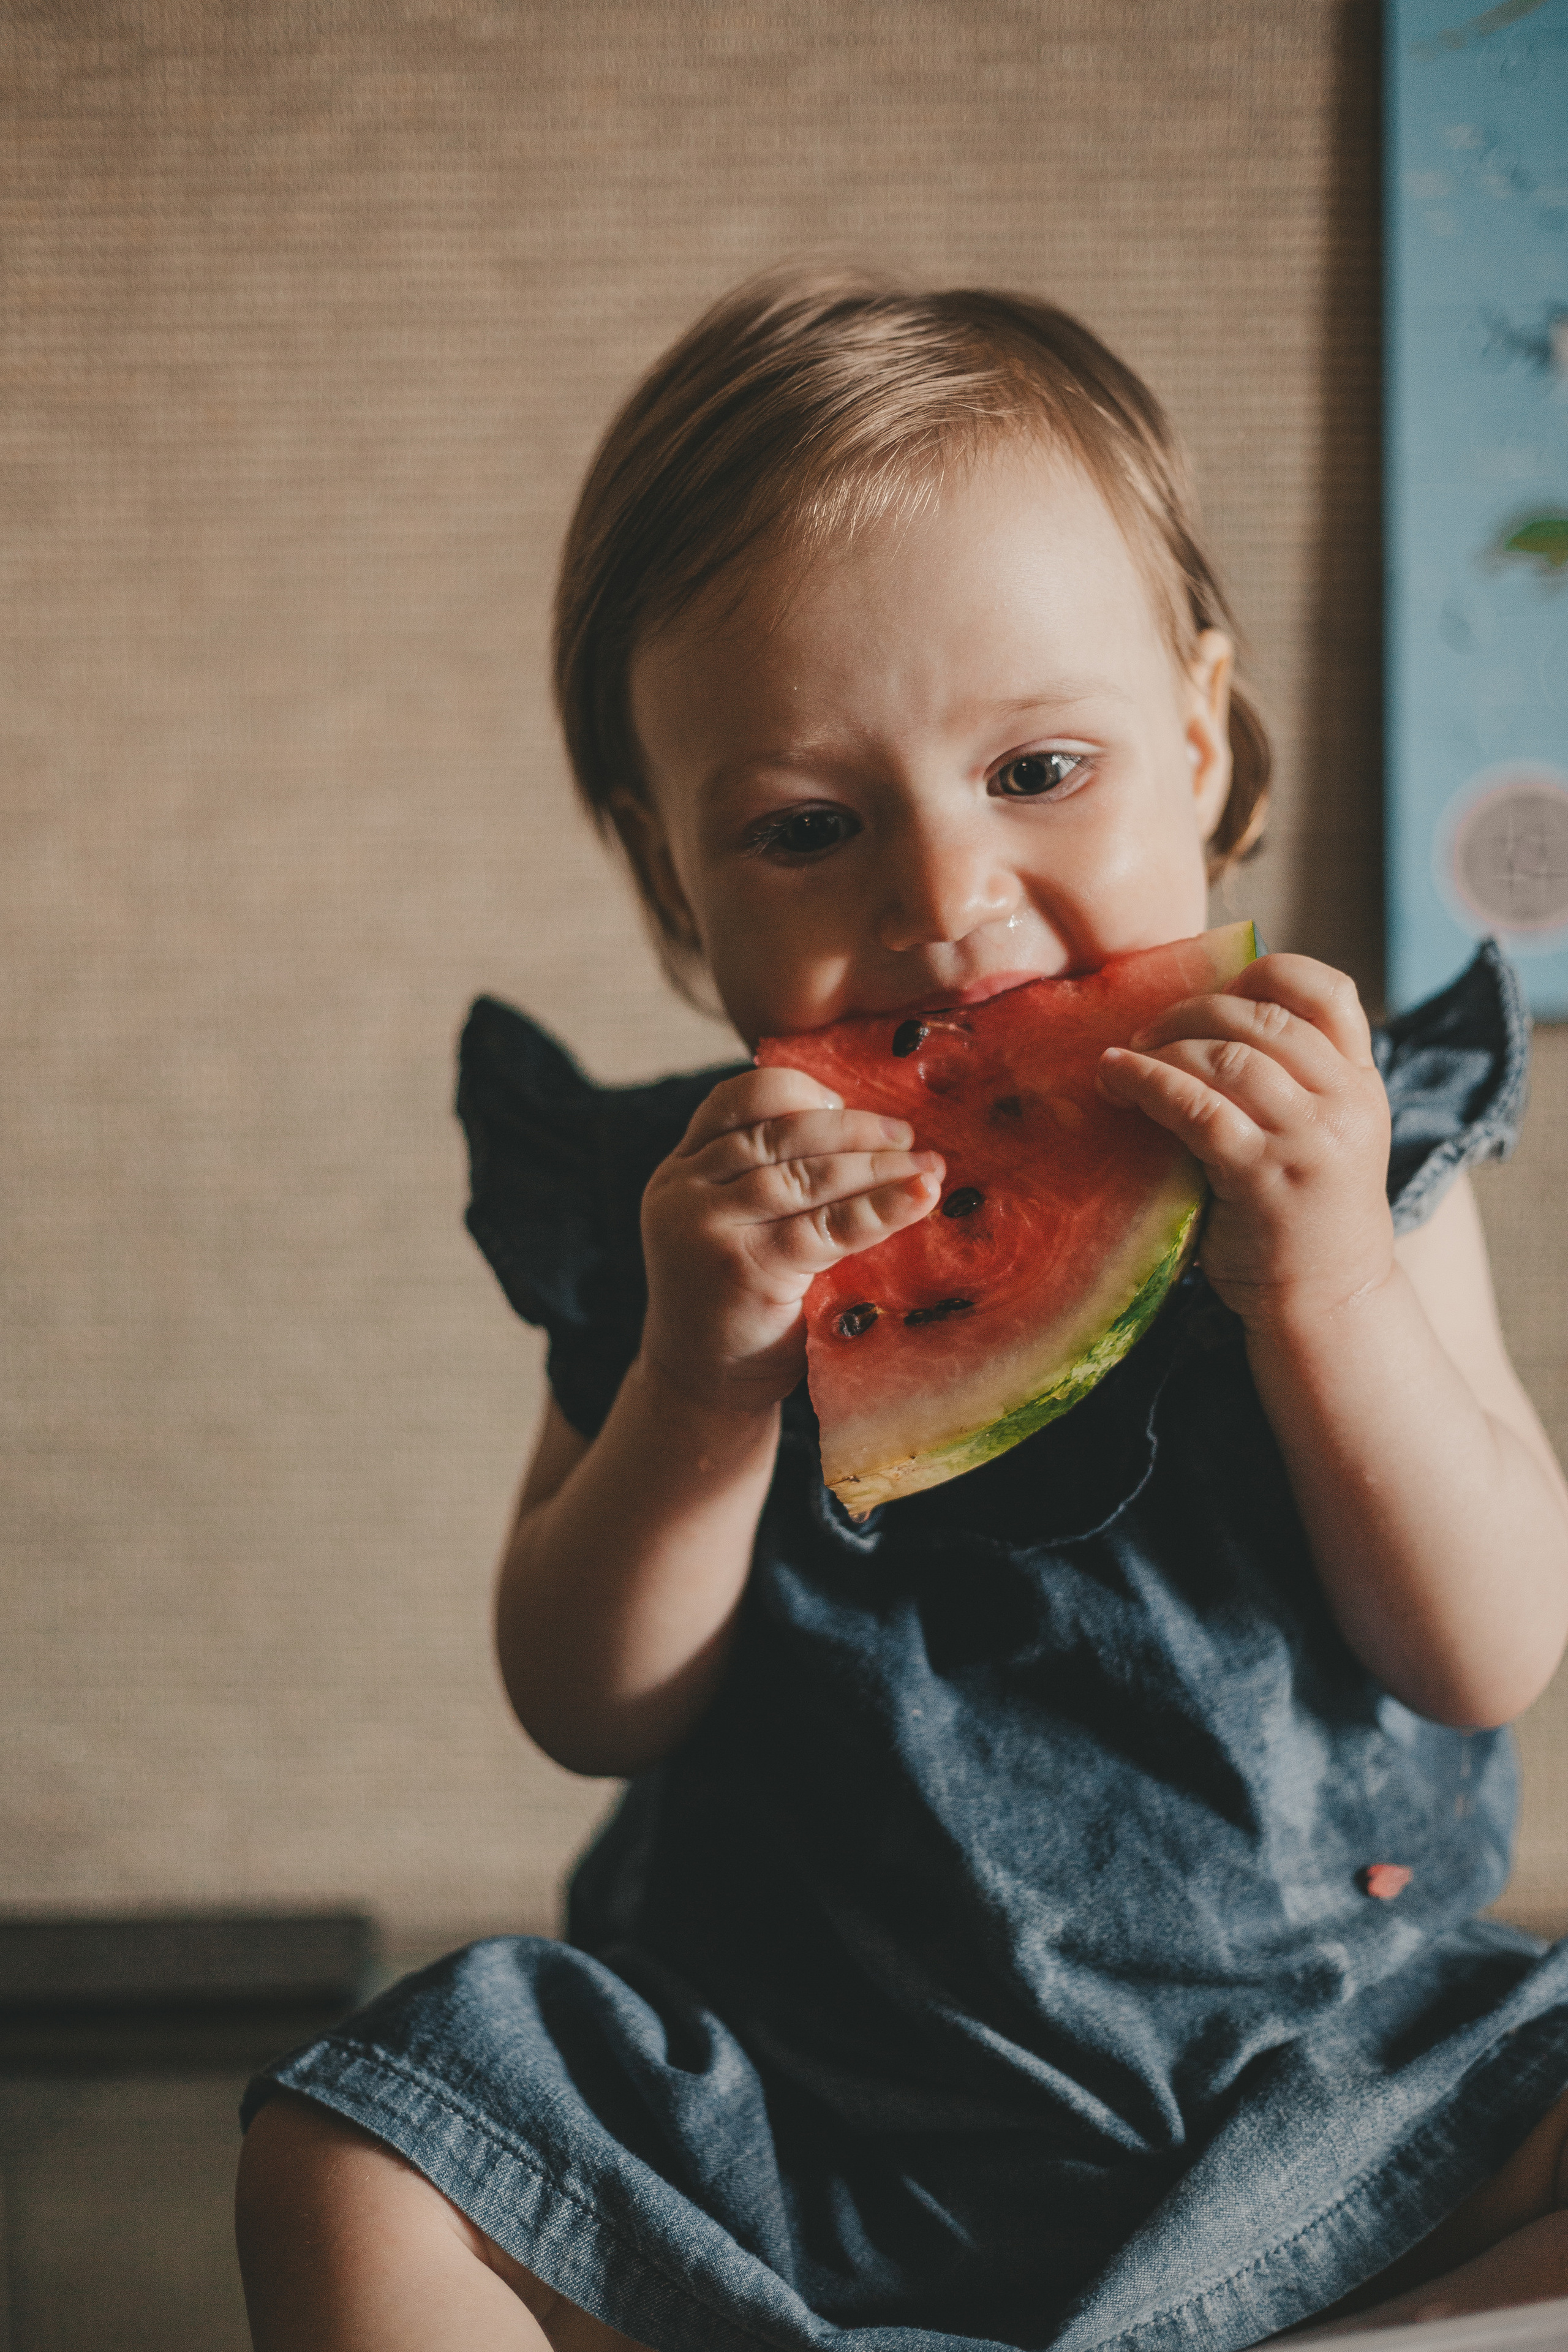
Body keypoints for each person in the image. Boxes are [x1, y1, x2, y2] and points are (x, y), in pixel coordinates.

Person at [235, 271, 1568, 2352]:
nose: (942, 902)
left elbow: (1483, 1643)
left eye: (1039, 766)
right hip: (788, 2121)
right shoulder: (677, 1214)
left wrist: (1321, 1288)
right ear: (676, 889)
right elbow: (591, 1699)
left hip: (1321, 2091)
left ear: (1203, 745)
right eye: (806, 828)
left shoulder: (1355, 1150)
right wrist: (700, 1379)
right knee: (355, 2160)